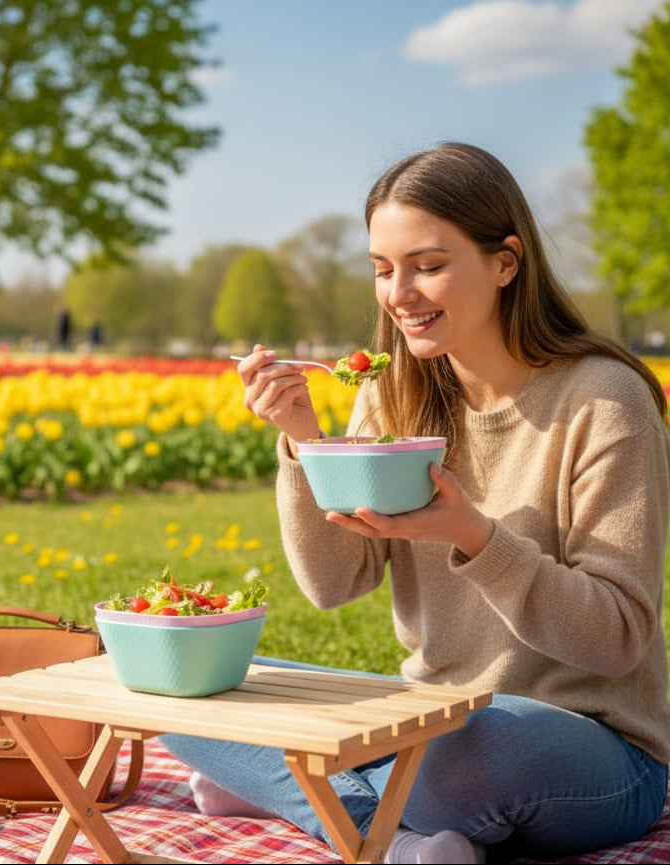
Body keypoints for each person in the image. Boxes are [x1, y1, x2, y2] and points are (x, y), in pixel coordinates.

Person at [161, 142, 670, 864]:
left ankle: (304, 794)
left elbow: (617, 636)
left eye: (427, 265)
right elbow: (336, 584)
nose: (399, 293)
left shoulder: (603, 402)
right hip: (431, 717)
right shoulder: (391, 392)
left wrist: (475, 537)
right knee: (192, 687)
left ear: (505, 262)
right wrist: (304, 440)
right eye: (382, 269)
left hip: (589, 746)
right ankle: (399, 834)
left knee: (460, 747)